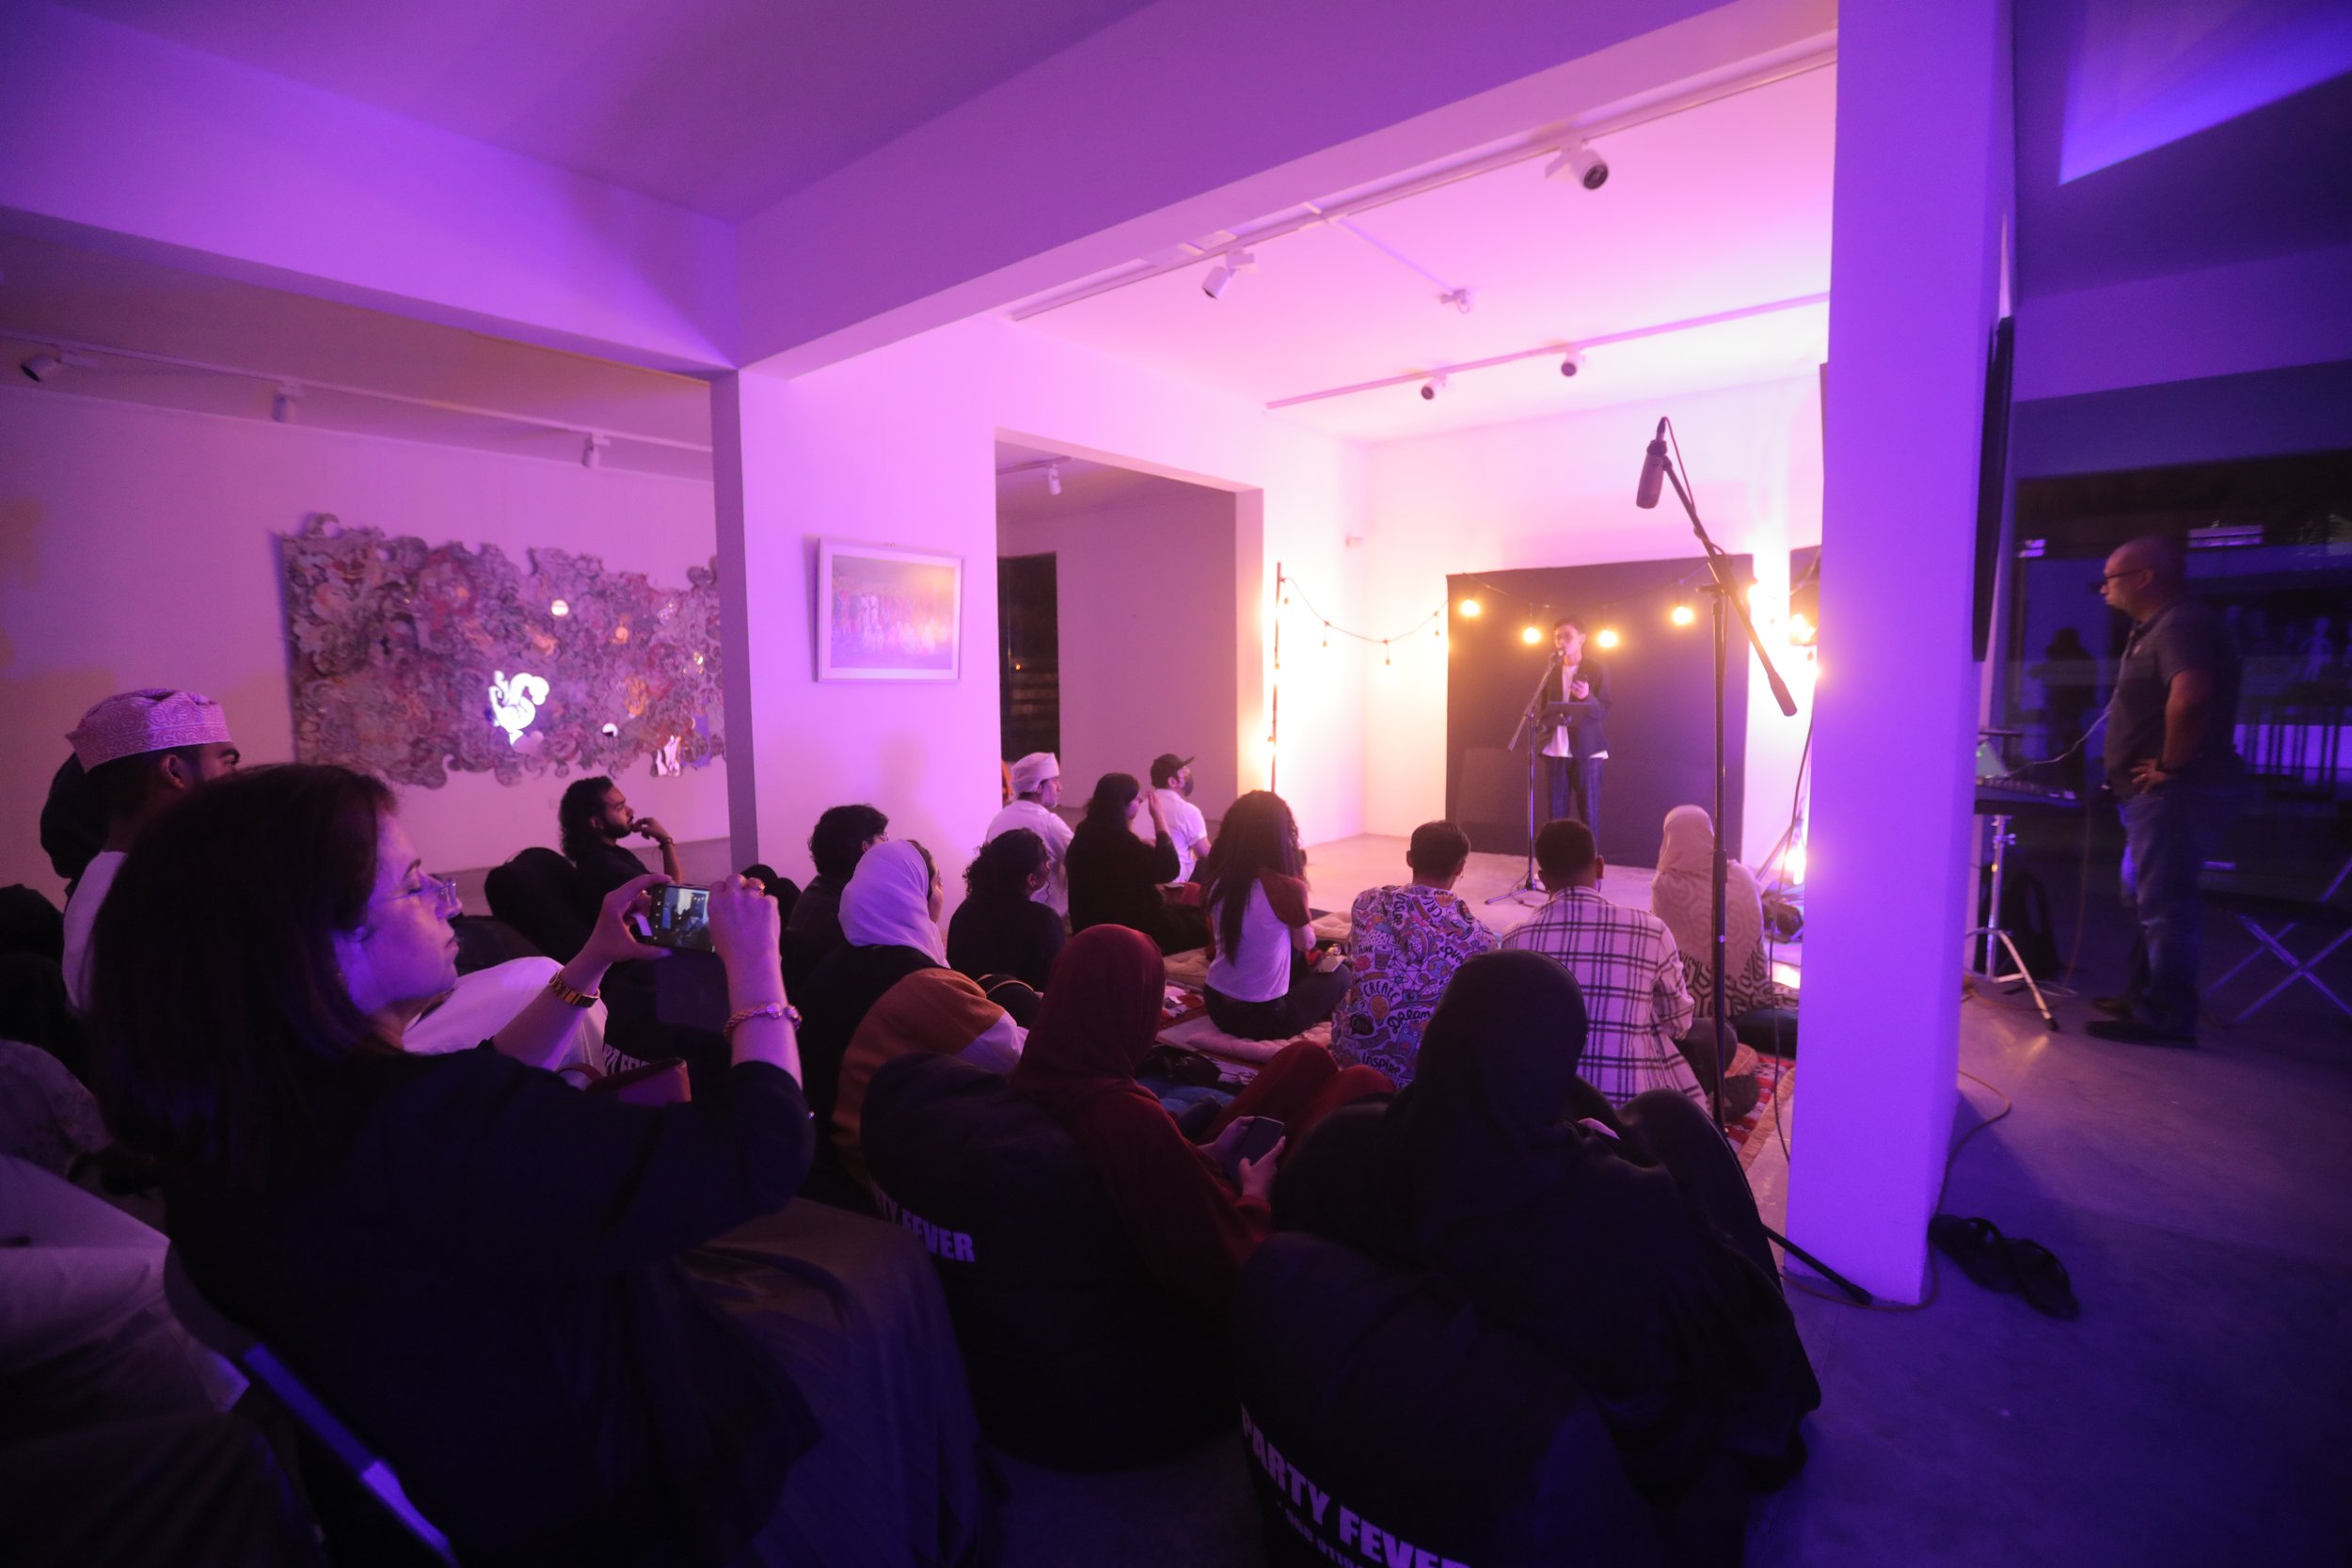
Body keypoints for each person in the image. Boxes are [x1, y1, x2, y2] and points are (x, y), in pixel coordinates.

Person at [86, 764, 981, 1566]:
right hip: (601, 1492)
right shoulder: (440, 1131)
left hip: (459, 1467)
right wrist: (758, 972)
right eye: (414, 883)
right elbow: (767, 1148)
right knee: (862, 1292)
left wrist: (592, 959)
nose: (448, 899)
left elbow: (467, 1100)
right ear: (317, 948)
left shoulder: (247, 1129)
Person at [1276, 951, 1819, 1550]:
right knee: (1672, 1121)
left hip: (1394, 1431)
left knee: (1657, 1120)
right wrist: (1616, 1156)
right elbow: (1735, 1356)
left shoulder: (1341, 1145)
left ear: (1441, 1031)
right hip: (1588, 1487)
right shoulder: (1629, 1211)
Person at [1009, 926, 1385, 1316]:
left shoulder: (1036, 1075)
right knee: (1362, 1083)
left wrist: (1201, 1153)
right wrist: (1256, 1195)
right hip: (1238, 1234)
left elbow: (1138, 1172)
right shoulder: (1125, 1116)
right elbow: (1228, 1266)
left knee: (1306, 1060)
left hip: (1182, 1182)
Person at [2089, 534, 2245, 1045]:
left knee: (2164, 904)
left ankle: (2166, 1018)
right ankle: (2143, 998)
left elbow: (2192, 695)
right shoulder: (2157, 627)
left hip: (2176, 796)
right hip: (2153, 798)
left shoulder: (2181, 624)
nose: (2104, 588)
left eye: (2110, 578)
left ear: (2144, 578)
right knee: (2141, 897)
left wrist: (2171, 768)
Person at [1502, 818, 1746, 1115]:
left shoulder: (1514, 938)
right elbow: (1678, 1024)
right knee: (1719, 1034)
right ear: (1600, 866)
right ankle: (1708, 1101)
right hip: (1630, 1113)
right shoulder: (1650, 929)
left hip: (1546, 1106)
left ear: (1542, 879)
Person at [60, 689, 242, 1011]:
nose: (238, 780)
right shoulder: (142, 895)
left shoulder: (112, 879)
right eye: (227, 763)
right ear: (175, 772)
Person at [1327, 820, 1497, 1088]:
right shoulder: (1480, 938)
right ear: (1460, 867)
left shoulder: (1366, 902)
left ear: (1409, 858)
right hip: (1424, 1072)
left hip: (1353, 1054)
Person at [797, 841, 949, 1134]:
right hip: (865, 1145)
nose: (943, 891)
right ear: (917, 896)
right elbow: (1008, 1051)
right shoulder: (918, 977)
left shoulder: (846, 957)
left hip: (823, 1134)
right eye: (938, 882)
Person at [831, 969, 1024, 1185]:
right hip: (882, 1174)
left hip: (848, 1154)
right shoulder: (930, 985)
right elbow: (1021, 1060)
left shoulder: (851, 964)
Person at [1651, 805, 1800, 1056]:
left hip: (1697, 1002)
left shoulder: (1665, 885)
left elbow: (1663, 949)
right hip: (1753, 992)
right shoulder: (1741, 875)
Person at [1201, 791, 1348, 1040]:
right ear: (1281, 835)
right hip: (1266, 1017)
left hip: (1216, 1003)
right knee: (1342, 974)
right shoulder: (1286, 888)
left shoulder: (1217, 882)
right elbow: (1305, 943)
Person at [1065, 772, 1181, 947]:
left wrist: (1138, 843)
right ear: (1121, 805)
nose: (1140, 800)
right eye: (1135, 798)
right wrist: (1158, 816)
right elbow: (1169, 868)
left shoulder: (1085, 831)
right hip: (1128, 933)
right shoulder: (1122, 842)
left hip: (1088, 928)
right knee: (1199, 920)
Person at [946, 829, 1065, 995]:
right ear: (1031, 879)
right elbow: (1053, 988)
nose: (1048, 867)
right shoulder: (1044, 921)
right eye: (1046, 862)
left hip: (968, 1007)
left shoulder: (964, 912)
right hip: (1023, 1010)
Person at [786, 803, 889, 988]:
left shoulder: (820, 894)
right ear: (866, 848)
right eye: (883, 837)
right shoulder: (850, 912)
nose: (889, 846)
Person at [1538, 617, 1612, 838]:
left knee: (1589, 814)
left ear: (1582, 639)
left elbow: (1603, 711)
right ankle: (1555, 858)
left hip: (1587, 750)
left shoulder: (1596, 669)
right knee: (1555, 818)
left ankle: (1591, 859)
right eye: (1557, 637)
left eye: (1567, 636)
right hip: (1555, 750)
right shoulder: (1551, 670)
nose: (1561, 641)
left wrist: (1587, 696)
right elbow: (1543, 708)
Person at [559, 774, 682, 902]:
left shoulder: (608, 853)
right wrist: (666, 841)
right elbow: (671, 899)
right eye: (620, 808)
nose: (631, 811)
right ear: (596, 822)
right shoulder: (605, 865)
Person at [984, 752, 1074, 918]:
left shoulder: (998, 819)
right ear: (1038, 787)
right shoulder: (1048, 823)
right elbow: (1080, 858)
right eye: (1054, 781)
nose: (1059, 787)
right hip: (1043, 919)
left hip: (1001, 916)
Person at [1149, 753, 1212, 884]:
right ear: (1172, 781)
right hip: (1172, 881)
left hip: (1145, 877)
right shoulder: (1188, 811)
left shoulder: (1141, 806)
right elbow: (1205, 853)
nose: (1188, 773)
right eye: (1183, 771)